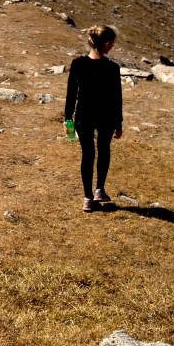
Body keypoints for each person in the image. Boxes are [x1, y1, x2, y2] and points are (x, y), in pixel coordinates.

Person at [64, 25, 123, 212]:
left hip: (83, 115)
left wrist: (68, 119)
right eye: (112, 43)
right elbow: (116, 98)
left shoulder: (78, 64)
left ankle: (87, 198)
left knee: (87, 155)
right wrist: (118, 123)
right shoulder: (112, 68)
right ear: (106, 43)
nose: (112, 46)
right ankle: (99, 190)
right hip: (106, 116)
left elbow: (71, 94)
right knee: (104, 150)